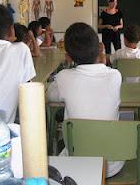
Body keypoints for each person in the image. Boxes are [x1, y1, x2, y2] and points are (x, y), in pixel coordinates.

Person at [47, 23, 124, 178]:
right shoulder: (115, 76)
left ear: (68, 56)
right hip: (111, 165)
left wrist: (67, 68)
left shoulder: (64, 77)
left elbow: (49, 96)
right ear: (100, 48)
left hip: (78, 162)